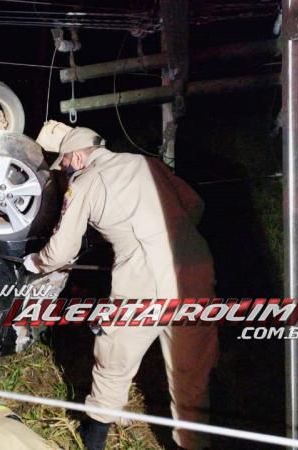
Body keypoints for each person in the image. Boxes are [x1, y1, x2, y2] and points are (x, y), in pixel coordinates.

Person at [24, 121, 219, 450]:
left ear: (78, 158)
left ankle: (94, 438)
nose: (66, 173)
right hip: (196, 265)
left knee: (114, 357)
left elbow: (61, 251)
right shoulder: (145, 162)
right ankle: (194, 442)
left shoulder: (85, 182)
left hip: (145, 279)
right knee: (192, 367)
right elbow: (195, 205)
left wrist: (35, 262)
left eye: (65, 164)